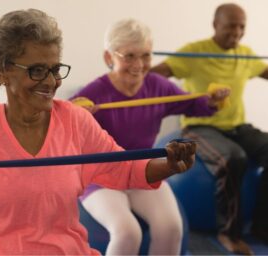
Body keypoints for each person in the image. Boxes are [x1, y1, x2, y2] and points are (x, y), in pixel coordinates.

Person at [0, 9, 199, 255]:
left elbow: (123, 169)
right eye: (36, 70)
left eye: (55, 69)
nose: (50, 82)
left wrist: (171, 165)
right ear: (1, 71)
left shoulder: (74, 121)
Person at [71, 18, 229, 255]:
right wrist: (76, 116)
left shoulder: (158, 86)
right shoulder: (93, 94)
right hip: (101, 178)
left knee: (171, 227)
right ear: (108, 58)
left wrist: (213, 100)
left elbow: (194, 104)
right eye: (129, 56)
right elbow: (61, 128)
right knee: (127, 232)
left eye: (146, 55)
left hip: (144, 171)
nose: (139, 64)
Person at [151, 3, 268, 255]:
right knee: (232, 158)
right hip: (200, 125)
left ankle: (262, 227)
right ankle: (229, 234)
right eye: (230, 26)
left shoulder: (245, 55)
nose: (236, 32)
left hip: (237, 126)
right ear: (215, 25)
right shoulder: (195, 52)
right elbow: (155, 76)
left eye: (241, 27)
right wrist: (132, 66)